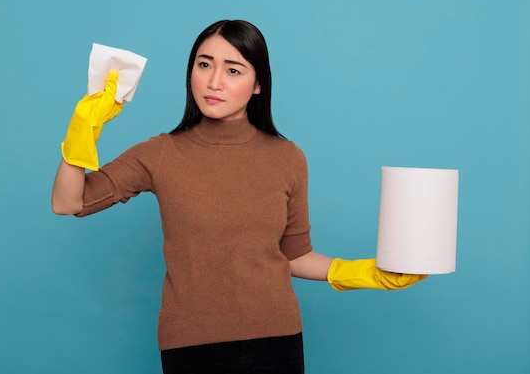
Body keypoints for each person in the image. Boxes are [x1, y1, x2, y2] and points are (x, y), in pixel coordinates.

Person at [51, 20, 426, 374]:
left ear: (258, 84)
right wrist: (84, 128)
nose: (214, 82)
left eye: (233, 70)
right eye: (204, 65)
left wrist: (366, 272)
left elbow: (294, 255)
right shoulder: (160, 154)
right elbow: (68, 202)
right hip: (192, 347)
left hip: (277, 342)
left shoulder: (287, 157)